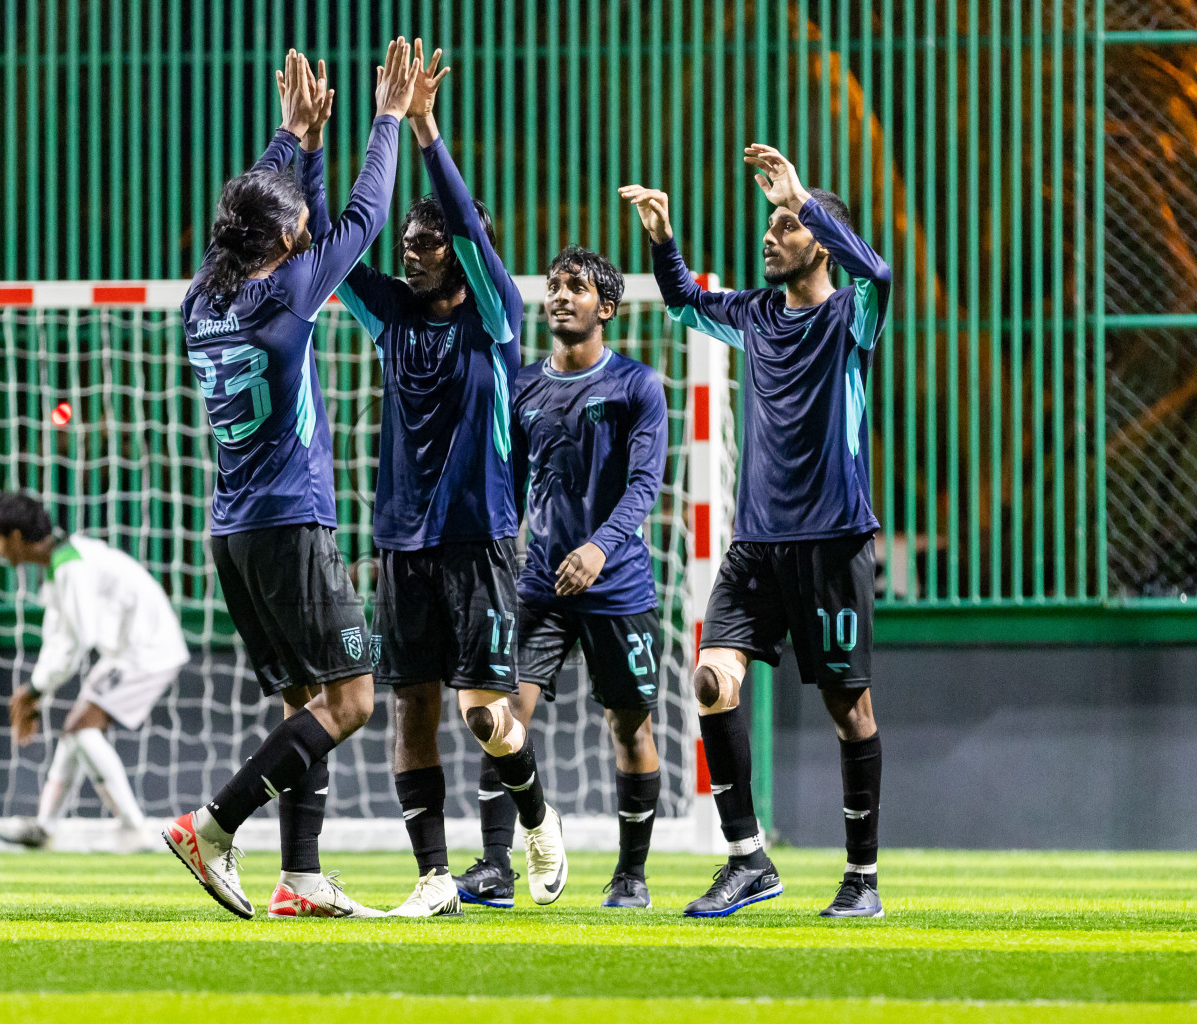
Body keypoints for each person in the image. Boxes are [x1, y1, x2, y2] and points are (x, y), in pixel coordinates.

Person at [307, 38, 565, 917]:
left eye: (426, 243)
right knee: (411, 712)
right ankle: (433, 878)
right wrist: (309, 150)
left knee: (484, 714)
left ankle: (535, 814)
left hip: (477, 540)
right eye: (407, 242)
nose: (410, 253)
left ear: (459, 251)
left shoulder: (498, 318)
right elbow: (330, 250)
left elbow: (467, 227)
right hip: (399, 543)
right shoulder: (389, 313)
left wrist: (424, 132)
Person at [162, 42, 416, 921]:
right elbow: (365, 212)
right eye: (296, 227)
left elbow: (261, 214)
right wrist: (385, 120)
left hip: (233, 530)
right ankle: (215, 823)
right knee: (351, 700)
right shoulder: (290, 295)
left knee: (303, 698)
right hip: (290, 523)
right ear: (287, 243)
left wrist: (293, 136)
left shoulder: (205, 294)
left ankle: (300, 877)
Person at [621, 142, 892, 919]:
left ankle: (862, 880)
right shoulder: (754, 314)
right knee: (710, 681)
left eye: (787, 226)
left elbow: (875, 274)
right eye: (772, 224)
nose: (770, 235)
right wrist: (663, 238)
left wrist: (802, 196)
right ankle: (748, 860)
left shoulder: (851, 318)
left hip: (834, 540)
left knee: (850, 710)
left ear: (821, 239)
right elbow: (681, 305)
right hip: (756, 545)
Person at [455, 245, 667, 910]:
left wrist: (601, 547)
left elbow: (644, 485)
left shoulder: (637, 386)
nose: (560, 296)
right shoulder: (522, 386)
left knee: (630, 728)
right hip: (539, 585)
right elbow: (506, 490)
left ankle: (631, 874)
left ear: (605, 308)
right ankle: (497, 866)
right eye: (554, 286)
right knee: (497, 714)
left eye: (576, 287)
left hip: (618, 586)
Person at [0, 493, 190, 852]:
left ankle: (135, 830)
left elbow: (77, 642)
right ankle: (44, 828)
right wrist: (35, 693)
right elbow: (59, 640)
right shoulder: (61, 564)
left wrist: (33, 691)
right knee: (74, 731)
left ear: (15, 538)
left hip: (147, 649)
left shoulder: (71, 567)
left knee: (82, 728)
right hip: (129, 649)